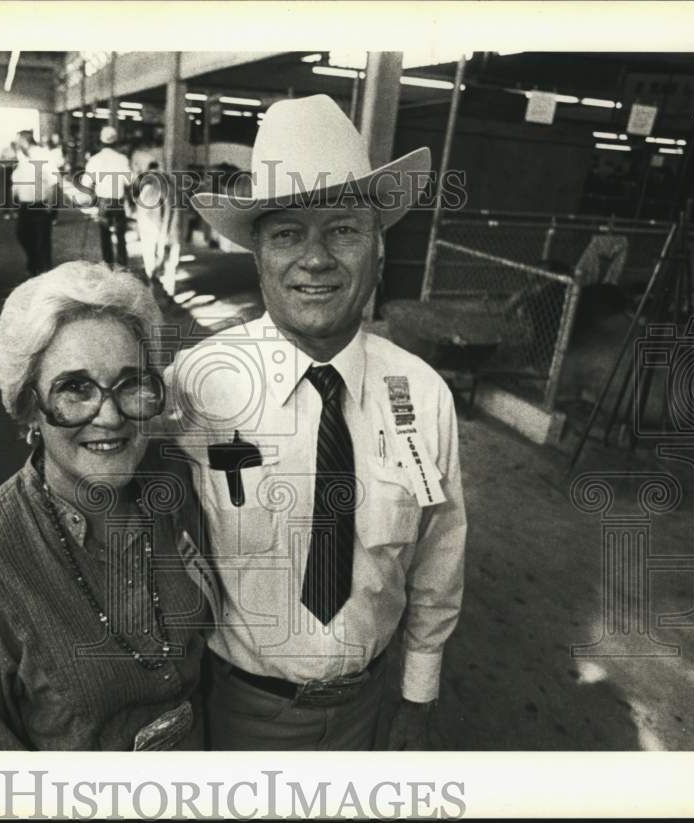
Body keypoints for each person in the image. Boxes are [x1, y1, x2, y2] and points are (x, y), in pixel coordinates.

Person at [166, 94, 467, 751]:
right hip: (233, 710)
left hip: (368, 707)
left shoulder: (423, 395)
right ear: (259, 255)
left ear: (378, 248)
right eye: (287, 233)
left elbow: (438, 557)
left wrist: (418, 693)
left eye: (343, 229)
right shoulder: (195, 384)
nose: (316, 257)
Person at [0, 262, 215, 749]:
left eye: (130, 383)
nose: (109, 416)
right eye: (75, 389)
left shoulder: (174, 490)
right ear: (29, 407)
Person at [10, 129, 58, 277]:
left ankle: (44, 274)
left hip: (40, 206)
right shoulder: (21, 157)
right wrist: (14, 198)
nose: (16, 144)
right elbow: (17, 179)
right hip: (24, 206)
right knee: (22, 235)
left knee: (42, 242)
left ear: (25, 141)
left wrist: (50, 205)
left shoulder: (43, 155)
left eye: (18, 142)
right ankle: (33, 263)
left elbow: (53, 182)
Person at [84, 126, 131, 267]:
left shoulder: (94, 159)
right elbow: (129, 181)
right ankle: (123, 266)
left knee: (105, 235)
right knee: (121, 235)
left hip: (103, 202)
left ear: (100, 142)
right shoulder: (122, 159)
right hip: (118, 202)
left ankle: (108, 264)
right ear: (116, 142)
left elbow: (86, 183)